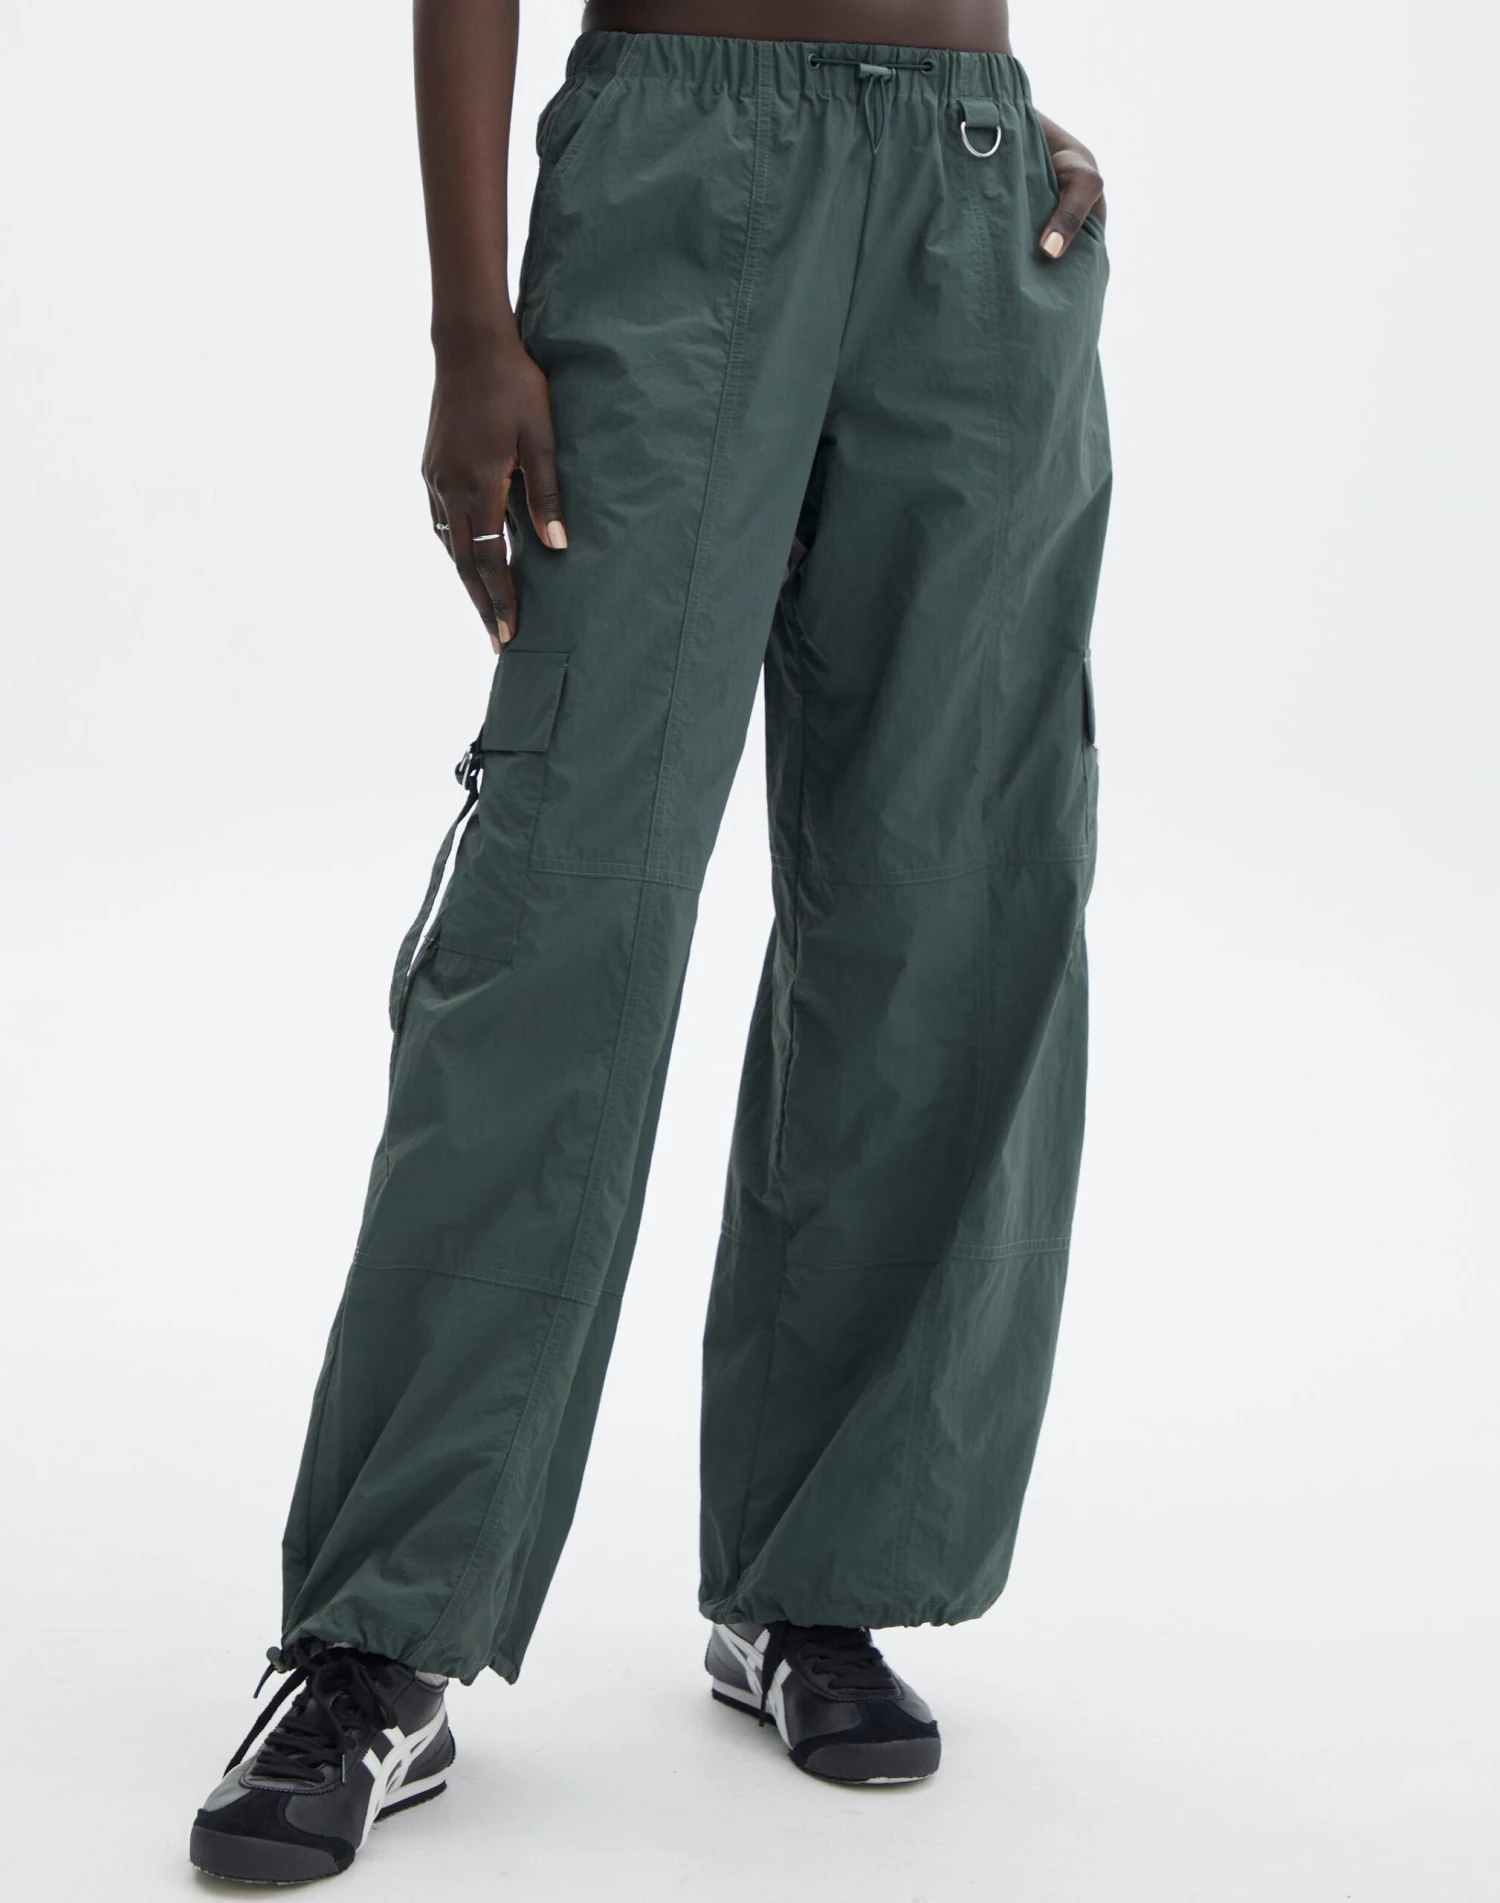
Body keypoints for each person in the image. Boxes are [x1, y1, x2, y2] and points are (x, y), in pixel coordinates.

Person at [189, 0, 1110, 1881]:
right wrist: (470, 326)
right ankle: (374, 1636)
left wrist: (988, 121)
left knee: (942, 904)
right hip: (682, 169)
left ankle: (817, 1575)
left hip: (971, 197)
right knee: (560, 912)